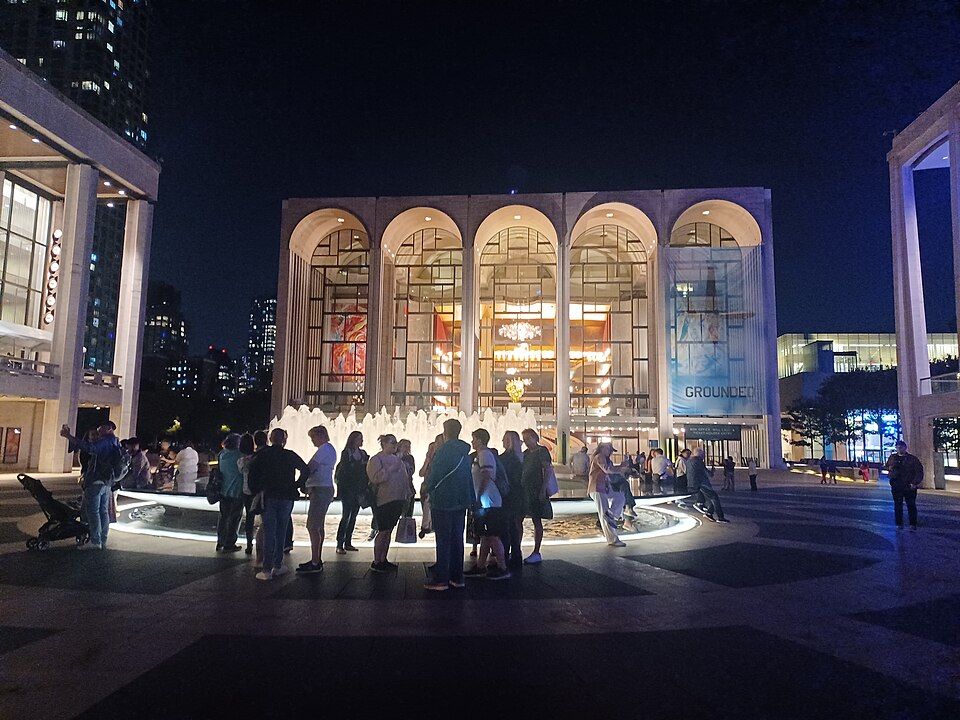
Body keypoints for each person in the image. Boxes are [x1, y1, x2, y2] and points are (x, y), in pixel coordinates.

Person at [248, 428, 308, 580]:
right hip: (286, 496)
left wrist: (257, 490)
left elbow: (252, 474)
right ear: (284, 440)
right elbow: (305, 469)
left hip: (268, 496)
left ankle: (267, 569)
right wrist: (296, 485)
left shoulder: (262, 455)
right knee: (281, 530)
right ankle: (278, 565)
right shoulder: (289, 455)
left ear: (270, 438)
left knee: (269, 531)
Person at [423, 419, 474, 591]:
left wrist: (427, 487)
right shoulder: (465, 452)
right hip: (461, 501)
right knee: (457, 539)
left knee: (443, 539)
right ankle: (457, 577)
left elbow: (435, 474)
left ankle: (441, 579)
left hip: (443, 500)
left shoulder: (443, 451)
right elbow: (468, 477)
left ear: (445, 432)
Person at [60, 421, 124, 550]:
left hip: (96, 480)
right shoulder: (115, 441)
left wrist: (68, 436)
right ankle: (102, 539)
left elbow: (90, 448)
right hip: (106, 481)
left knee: (93, 511)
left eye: (101, 429)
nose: (99, 431)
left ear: (109, 428)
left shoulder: (106, 441)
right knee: (103, 511)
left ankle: (95, 541)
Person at [463, 429, 511, 580]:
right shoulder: (483, 455)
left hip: (489, 501)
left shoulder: (484, 454)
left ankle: (503, 567)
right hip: (488, 501)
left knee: (492, 535)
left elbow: (487, 475)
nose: (472, 442)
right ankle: (481, 566)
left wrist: (478, 497)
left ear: (479, 440)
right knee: (485, 535)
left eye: (474, 439)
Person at [366, 434, 413, 573]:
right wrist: (390, 469)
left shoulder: (397, 460)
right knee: (383, 530)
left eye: (395, 442)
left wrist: (407, 495)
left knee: (388, 531)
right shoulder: (376, 459)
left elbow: (404, 479)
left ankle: (383, 559)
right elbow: (375, 478)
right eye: (391, 442)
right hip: (384, 500)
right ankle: (377, 560)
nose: (394, 445)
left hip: (398, 499)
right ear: (384, 444)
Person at [297, 425, 337, 574]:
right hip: (323, 488)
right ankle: (316, 558)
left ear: (321, 435)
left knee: (313, 526)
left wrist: (300, 483)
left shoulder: (324, 449)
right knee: (318, 525)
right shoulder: (328, 449)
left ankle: (315, 562)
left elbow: (310, 467)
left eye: (313, 437)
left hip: (320, 489)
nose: (312, 441)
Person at [521, 428, 553, 564]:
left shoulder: (542, 451)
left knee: (536, 519)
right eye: (524, 439)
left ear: (535, 438)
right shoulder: (525, 453)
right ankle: (517, 549)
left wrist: (543, 489)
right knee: (519, 519)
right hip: (525, 490)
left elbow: (548, 470)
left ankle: (536, 551)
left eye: (528, 438)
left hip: (536, 489)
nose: (526, 442)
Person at [589, 442, 628, 547]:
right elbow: (608, 470)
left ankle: (612, 515)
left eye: (611, 450)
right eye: (609, 449)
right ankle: (613, 539)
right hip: (597, 488)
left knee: (620, 496)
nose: (610, 452)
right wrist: (621, 467)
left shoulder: (606, 459)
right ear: (602, 449)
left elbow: (611, 471)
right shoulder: (599, 457)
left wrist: (621, 468)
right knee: (604, 514)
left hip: (604, 488)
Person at [335, 431, 368, 554]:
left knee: (353, 516)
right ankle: (340, 543)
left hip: (359, 489)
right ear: (353, 440)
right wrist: (359, 465)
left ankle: (348, 542)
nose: (362, 441)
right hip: (348, 490)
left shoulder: (363, 453)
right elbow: (347, 469)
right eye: (359, 438)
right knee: (346, 516)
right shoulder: (347, 452)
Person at [499, 430, 525, 568]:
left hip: (507, 496)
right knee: (514, 526)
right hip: (518, 495)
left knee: (506, 526)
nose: (502, 441)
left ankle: (505, 555)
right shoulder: (520, 458)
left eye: (504, 439)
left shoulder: (505, 458)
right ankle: (516, 554)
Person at [215, 433, 245, 553]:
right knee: (234, 518)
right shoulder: (240, 455)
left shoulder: (222, 454)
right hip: (237, 490)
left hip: (223, 490)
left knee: (223, 517)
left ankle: (220, 541)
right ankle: (230, 543)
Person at [884, 441, 923, 530]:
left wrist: (914, 483)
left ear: (905, 448)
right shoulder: (893, 457)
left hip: (909, 485)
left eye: (901, 447)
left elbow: (919, 471)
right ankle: (899, 524)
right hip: (896, 485)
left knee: (911, 505)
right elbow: (887, 467)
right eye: (897, 447)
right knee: (898, 505)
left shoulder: (912, 459)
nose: (899, 449)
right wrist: (890, 473)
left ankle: (913, 524)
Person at [687, 447, 729, 523]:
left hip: (693, 483)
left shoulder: (689, 461)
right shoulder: (699, 461)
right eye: (703, 454)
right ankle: (720, 517)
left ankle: (709, 512)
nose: (704, 456)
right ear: (700, 454)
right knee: (714, 498)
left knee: (711, 498)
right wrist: (712, 472)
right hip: (702, 483)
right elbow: (708, 474)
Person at [417, 433, 444, 539]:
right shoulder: (429, 459)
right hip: (426, 488)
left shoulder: (444, 458)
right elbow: (421, 473)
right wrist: (428, 459)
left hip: (437, 489)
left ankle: (428, 527)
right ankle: (426, 526)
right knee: (427, 509)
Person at [237, 433, 258, 555]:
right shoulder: (258, 457)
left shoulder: (241, 460)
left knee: (249, 519)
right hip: (259, 491)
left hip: (247, 491)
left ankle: (249, 544)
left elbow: (241, 472)